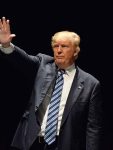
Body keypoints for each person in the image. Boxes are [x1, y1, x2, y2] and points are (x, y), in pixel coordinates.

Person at [0, 17, 103, 150]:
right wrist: (7, 46)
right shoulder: (43, 64)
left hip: (65, 145)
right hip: (32, 143)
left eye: (64, 46)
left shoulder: (90, 84)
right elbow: (22, 60)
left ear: (76, 51)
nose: (58, 50)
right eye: (55, 46)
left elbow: (93, 128)